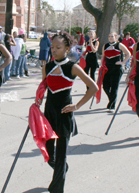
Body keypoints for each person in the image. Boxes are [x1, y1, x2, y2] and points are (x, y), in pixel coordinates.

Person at [42, 31, 98, 193]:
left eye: (58, 47)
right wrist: (37, 102)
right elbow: (43, 86)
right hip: (49, 114)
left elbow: (93, 87)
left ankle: (57, 187)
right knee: (47, 151)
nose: (53, 50)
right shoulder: (48, 66)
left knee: (60, 154)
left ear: (67, 48)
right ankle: (62, 168)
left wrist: (77, 106)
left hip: (65, 115)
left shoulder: (73, 67)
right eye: (52, 47)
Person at [102, 32, 130, 111]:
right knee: (105, 86)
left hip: (117, 68)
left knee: (114, 87)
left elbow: (128, 54)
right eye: (109, 36)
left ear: (115, 37)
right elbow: (103, 57)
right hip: (108, 68)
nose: (110, 38)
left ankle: (112, 105)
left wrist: (123, 62)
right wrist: (102, 64)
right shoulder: (105, 45)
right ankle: (111, 100)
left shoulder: (119, 45)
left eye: (112, 36)